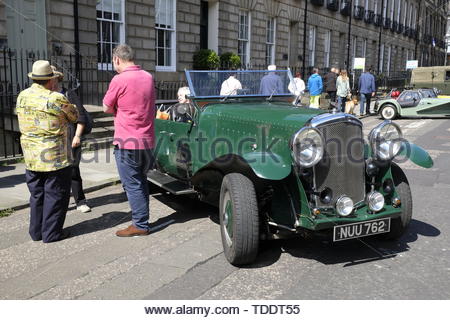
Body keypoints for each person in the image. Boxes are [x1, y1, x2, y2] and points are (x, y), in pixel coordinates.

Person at [16, 60, 78, 243]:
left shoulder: (22, 95)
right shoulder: (55, 98)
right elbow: (74, 116)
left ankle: (36, 232)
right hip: (54, 158)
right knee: (56, 194)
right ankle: (51, 233)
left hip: (31, 156)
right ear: (51, 80)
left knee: (37, 194)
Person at [103, 44, 156, 237]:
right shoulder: (149, 77)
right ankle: (142, 221)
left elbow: (106, 107)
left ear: (117, 59)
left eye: (113, 62)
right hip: (148, 140)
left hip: (127, 141)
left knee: (132, 184)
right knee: (141, 180)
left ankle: (140, 225)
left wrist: (118, 109)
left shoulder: (119, 79)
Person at [51, 66, 91, 213]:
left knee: (73, 170)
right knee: (55, 174)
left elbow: (81, 117)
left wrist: (77, 136)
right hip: (53, 141)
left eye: (52, 77)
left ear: (57, 78)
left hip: (71, 138)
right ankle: (60, 202)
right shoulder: (45, 97)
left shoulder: (69, 94)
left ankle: (80, 201)